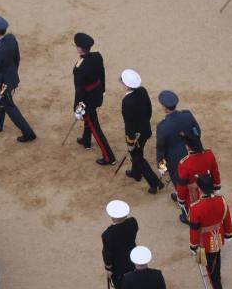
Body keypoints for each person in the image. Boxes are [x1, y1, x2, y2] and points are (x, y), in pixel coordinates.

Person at [0, 15, 34, 142]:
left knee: (9, 107)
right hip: (10, 76)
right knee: (1, 103)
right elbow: (17, 58)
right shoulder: (11, 38)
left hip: (3, 84)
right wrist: (12, 73)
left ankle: (28, 133)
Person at [187, 175, 232, 289]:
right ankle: (214, 274)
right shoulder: (221, 200)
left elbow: (194, 230)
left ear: (200, 189)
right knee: (214, 262)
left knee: (213, 273)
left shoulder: (195, 208)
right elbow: (227, 219)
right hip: (218, 237)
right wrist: (228, 234)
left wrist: (193, 246)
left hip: (204, 243)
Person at [69, 33, 114, 164]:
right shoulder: (97, 56)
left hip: (87, 100)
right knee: (90, 120)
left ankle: (109, 157)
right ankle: (86, 140)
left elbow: (79, 91)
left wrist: (77, 108)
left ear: (79, 48)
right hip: (97, 94)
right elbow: (102, 74)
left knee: (95, 127)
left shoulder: (79, 68)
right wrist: (103, 90)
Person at [118, 70, 163, 192]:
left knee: (137, 157)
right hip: (145, 130)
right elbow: (149, 110)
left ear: (127, 85)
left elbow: (129, 125)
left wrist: (131, 142)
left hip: (135, 135)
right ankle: (135, 173)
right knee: (139, 152)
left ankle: (155, 183)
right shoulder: (142, 91)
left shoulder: (127, 102)